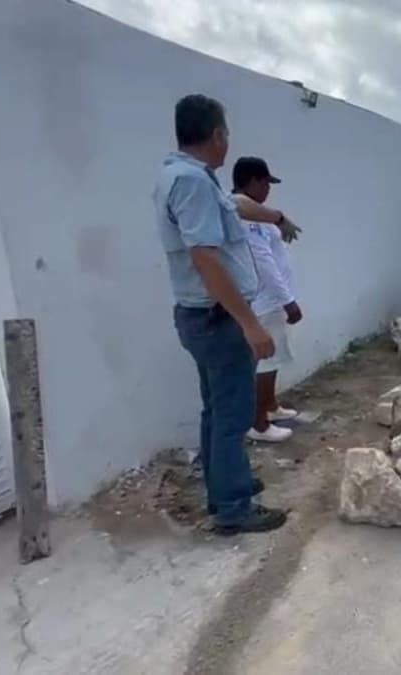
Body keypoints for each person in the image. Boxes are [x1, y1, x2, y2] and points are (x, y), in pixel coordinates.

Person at [153, 94, 285, 535]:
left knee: (217, 410)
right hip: (217, 319)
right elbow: (205, 257)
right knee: (233, 415)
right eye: (226, 133)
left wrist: (276, 216)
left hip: (202, 317)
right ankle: (233, 507)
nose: (228, 141)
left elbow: (236, 205)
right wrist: (250, 324)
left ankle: (225, 486)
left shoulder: (184, 176)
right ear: (216, 134)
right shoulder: (191, 182)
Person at [231, 157, 304, 443]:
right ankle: (259, 423)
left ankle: (271, 407)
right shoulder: (246, 219)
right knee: (266, 361)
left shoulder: (258, 215)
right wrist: (288, 301)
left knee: (274, 357)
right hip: (266, 299)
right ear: (252, 182)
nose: (268, 189)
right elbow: (263, 263)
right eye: (264, 183)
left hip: (272, 300)